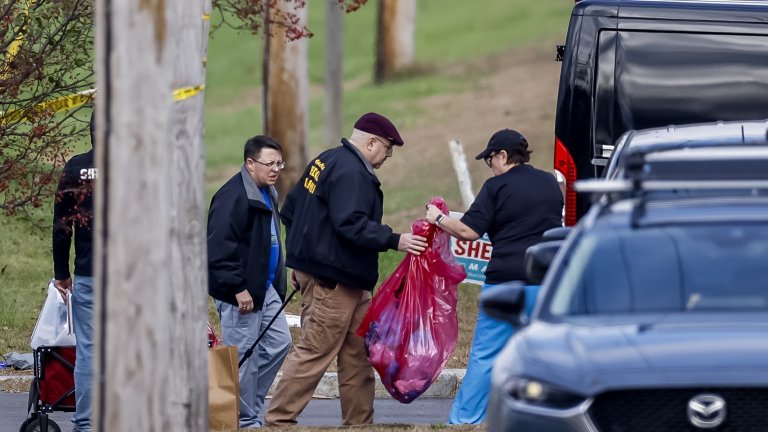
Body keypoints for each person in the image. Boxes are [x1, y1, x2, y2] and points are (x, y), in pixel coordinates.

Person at [265, 112, 429, 426]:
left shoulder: (325, 160)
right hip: (334, 283)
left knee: (358, 357)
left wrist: (300, 263)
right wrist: (395, 240)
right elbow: (349, 223)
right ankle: (278, 422)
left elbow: (290, 211)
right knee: (315, 352)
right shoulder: (353, 172)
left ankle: (359, 423)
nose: (388, 156)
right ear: (371, 143)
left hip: (348, 281)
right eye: (387, 148)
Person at [425, 128, 563, 424]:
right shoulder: (551, 184)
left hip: (506, 285)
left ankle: (465, 420)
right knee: (542, 358)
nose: (491, 166)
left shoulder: (496, 187)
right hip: (548, 285)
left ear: (503, 155)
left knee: (486, 356)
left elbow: (469, 231)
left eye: (491, 159)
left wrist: (437, 218)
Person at [207, 135, 292, 429]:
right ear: (250, 163)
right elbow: (218, 251)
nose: (276, 169)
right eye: (270, 163)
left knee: (280, 342)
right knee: (243, 357)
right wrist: (238, 288)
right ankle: (244, 421)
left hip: (264, 287)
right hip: (239, 291)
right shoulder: (232, 197)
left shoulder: (267, 192)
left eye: (280, 162)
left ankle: (247, 410)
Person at [52, 112, 97, 432]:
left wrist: (61, 273)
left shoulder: (75, 168)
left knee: (89, 351)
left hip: (90, 272)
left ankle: (86, 423)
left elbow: (61, 227)